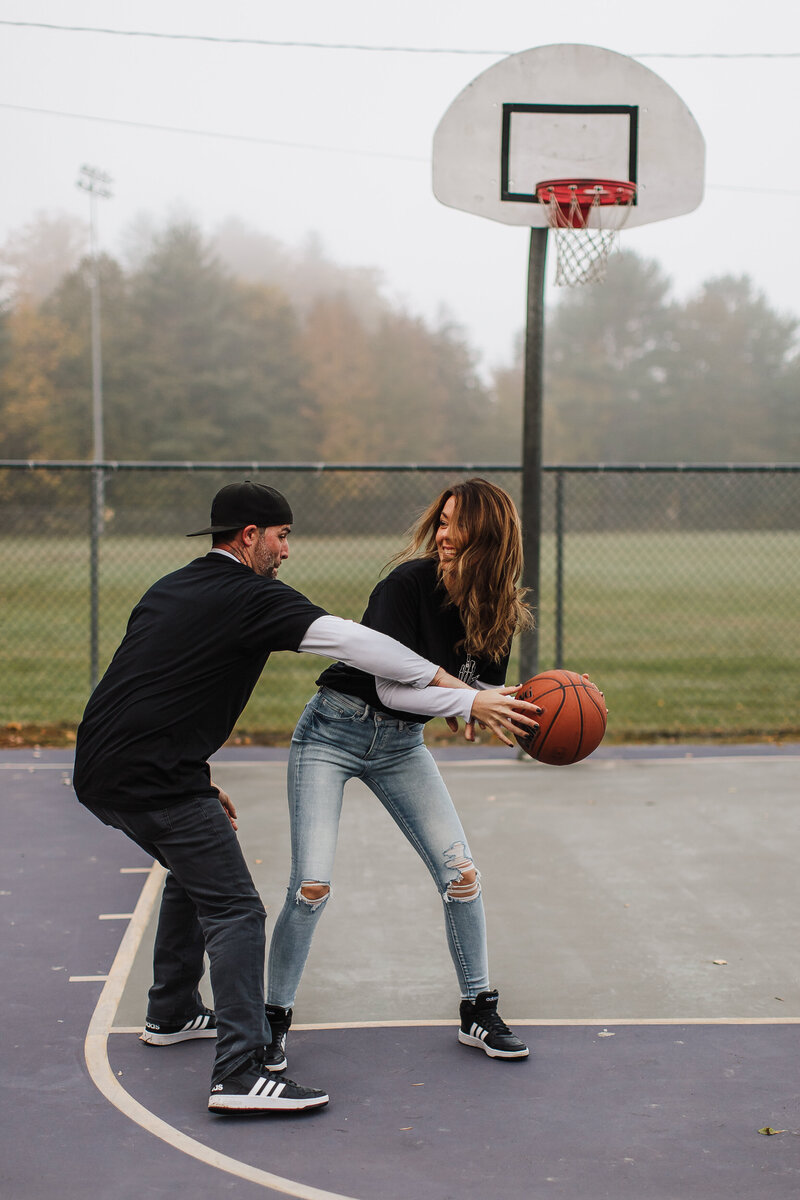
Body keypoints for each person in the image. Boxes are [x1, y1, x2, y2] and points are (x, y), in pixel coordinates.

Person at [73, 480, 539, 1115]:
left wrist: (194, 777)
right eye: (283, 536)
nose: (287, 550)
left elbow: (153, 683)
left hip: (116, 764)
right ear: (250, 537)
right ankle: (242, 1069)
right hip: (287, 743)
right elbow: (353, 644)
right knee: (242, 909)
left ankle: (173, 1010)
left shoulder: (172, 587)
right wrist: (449, 687)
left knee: (207, 850)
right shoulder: (257, 596)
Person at [265, 478, 540, 1069]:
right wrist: (468, 702)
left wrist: (511, 703)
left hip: (399, 745)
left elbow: (476, 686)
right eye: (440, 522)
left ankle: (478, 1008)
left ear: (489, 537)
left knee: (462, 874)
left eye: (456, 525)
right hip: (333, 732)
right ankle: (272, 1020)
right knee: (311, 885)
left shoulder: (496, 607)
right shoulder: (405, 586)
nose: (443, 535)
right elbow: (393, 685)